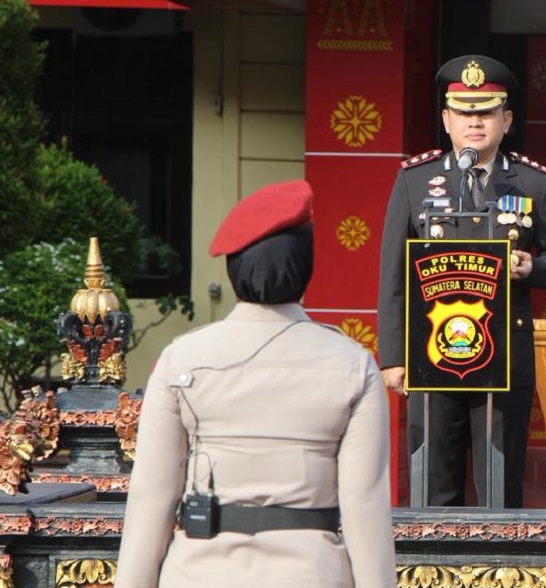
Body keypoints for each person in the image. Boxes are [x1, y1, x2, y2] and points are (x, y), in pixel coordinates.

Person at [115, 180, 396, 587]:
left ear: (233, 268)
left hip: (200, 573)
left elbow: (152, 499)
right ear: (306, 264)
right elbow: (365, 506)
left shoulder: (181, 359)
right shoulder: (353, 365)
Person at [377, 54, 546, 508]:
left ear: (506, 119)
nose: (475, 123)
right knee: (433, 485)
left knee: (500, 491)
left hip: (503, 357)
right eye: (465, 113)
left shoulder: (532, 183)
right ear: (446, 119)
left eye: (486, 112)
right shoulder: (416, 180)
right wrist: (393, 355)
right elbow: (392, 273)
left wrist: (532, 266)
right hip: (432, 355)